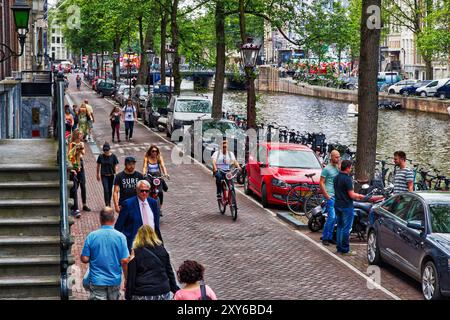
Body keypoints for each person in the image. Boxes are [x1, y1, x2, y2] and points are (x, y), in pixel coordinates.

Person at [81, 207, 130, 300]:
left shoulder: (92, 236)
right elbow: (124, 261)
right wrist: (127, 278)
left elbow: (84, 259)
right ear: (114, 219)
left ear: (100, 219)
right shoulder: (121, 237)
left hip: (97, 280)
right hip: (114, 280)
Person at [125, 225, 179, 300]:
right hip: (162, 290)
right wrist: (175, 289)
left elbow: (131, 277)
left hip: (142, 292)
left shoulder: (135, 253)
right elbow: (169, 272)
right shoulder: (162, 250)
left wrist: (128, 295)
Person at [334, 160, 374, 256]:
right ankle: (345, 250)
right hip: (346, 206)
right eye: (350, 167)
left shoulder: (336, 178)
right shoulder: (347, 179)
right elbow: (351, 195)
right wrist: (361, 196)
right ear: (348, 168)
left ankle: (339, 248)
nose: (351, 169)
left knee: (339, 227)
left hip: (337, 204)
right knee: (346, 228)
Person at [115, 180, 162, 252]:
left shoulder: (153, 203)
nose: (144, 193)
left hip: (151, 242)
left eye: (147, 191)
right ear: (137, 190)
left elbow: (156, 224)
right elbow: (119, 226)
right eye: (142, 191)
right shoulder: (128, 204)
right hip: (135, 244)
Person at [319, 150, 340, 246]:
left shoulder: (337, 168)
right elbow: (321, 182)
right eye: (336, 157)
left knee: (335, 217)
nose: (338, 158)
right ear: (331, 157)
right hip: (330, 195)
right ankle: (325, 237)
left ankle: (330, 237)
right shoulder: (326, 169)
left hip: (336, 195)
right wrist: (326, 195)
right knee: (331, 217)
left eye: (339, 157)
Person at [143, 145, 169, 213]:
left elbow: (163, 166)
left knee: (160, 192)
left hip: (157, 176)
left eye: (156, 151)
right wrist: (143, 173)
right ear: (150, 152)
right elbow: (145, 167)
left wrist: (165, 173)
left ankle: (160, 208)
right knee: (146, 188)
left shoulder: (159, 157)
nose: (154, 153)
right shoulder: (147, 158)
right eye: (153, 151)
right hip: (149, 175)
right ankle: (146, 203)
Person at [96, 142, 119, 207]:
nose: (106, 151)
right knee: (106, 190)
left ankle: (109, 202)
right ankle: (107, 204)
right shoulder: (100, 156)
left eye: (107, 150)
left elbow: (116, 165)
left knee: (110, 190)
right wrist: (97, 174)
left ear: (109, 149)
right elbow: (98, 165)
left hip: (111, 175)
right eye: (104, 150)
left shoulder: (113, 156)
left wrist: (116, 173)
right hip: (104, 175)